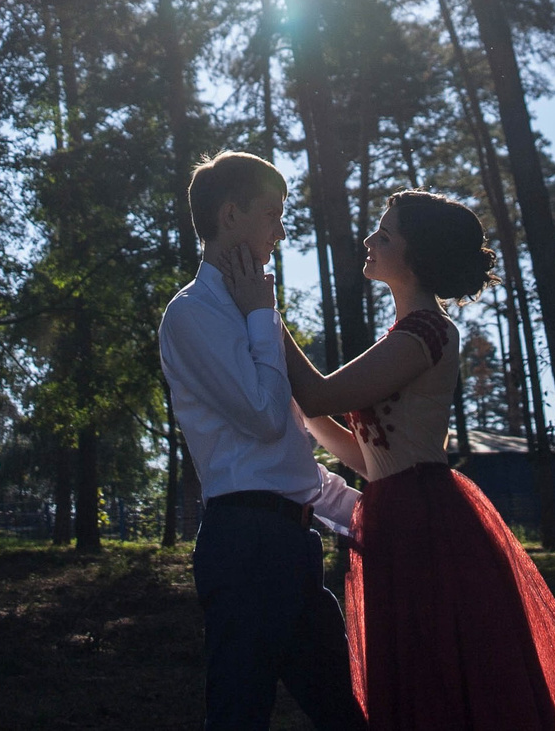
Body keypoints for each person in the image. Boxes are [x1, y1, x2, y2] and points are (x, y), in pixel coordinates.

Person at [284, 190, 555, 731]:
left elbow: (319, 396)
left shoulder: (425, 332)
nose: (369, 240)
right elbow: (367, 459)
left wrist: (265, 316)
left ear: (417, 257)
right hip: (397, 510)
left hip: (424, 522)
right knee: (420, 669)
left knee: (440, 672)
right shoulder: (407, 333)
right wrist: (302, 410)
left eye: (385, 235)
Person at [158, 151, 367, 731]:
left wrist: (360, 513)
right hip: (244, 547)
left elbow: (287, 453)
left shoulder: (258, 316)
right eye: (272, 213)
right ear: (230, 214)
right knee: (239, 714)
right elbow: (266, 417)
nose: (281, 229)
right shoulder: (191, 314)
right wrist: (260, 315)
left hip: (293, 549)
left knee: (347, 713)